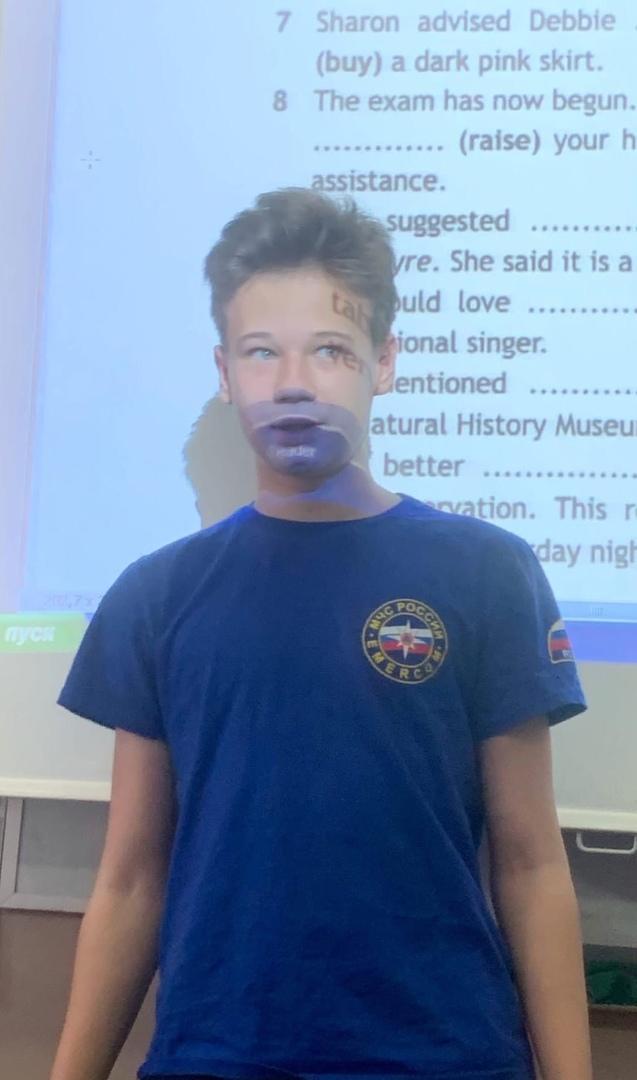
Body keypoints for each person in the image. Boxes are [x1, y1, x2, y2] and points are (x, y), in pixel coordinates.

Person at [51, 188, 593, 1080]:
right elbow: (132, 877)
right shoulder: (157, 593)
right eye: (262, 351)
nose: (293, 382)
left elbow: (531, 863)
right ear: (225, 372)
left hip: (442, 1055)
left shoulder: (487, 570)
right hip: (217, 1054)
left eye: (330, 349)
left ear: (384, 362)